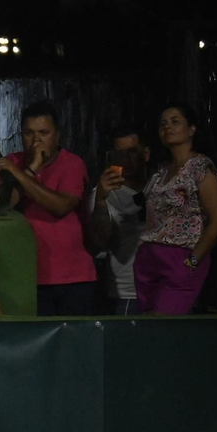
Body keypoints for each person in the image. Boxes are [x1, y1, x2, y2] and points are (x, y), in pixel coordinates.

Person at [0, 101, 96, 315]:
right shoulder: (11, 161)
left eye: (44, 132)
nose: (36, 140)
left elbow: (61, 206)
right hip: (29, 276)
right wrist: (32, 168)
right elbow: (3, 203)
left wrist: (19, 174)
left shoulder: (72, 163)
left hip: (74, 277)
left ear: (57, 136)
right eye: (29, 133)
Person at [135, 103, 217, 316]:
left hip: (180, 255)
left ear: (192, 129)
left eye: (175, 122)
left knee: (164, 324)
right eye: (163, 124)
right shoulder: (161, 171)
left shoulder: (200, 167)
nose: (168, 127)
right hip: (150, 257)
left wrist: (193, 260)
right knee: (148, 327)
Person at [87, 123, 149, 316]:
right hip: (127, 292)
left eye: (131, 152)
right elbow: (99, 242)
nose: (126, 160)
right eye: (119, 154)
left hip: (166, 286)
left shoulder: (161, 183)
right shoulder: (103, 193)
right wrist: (101, 202)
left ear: (145, 154)